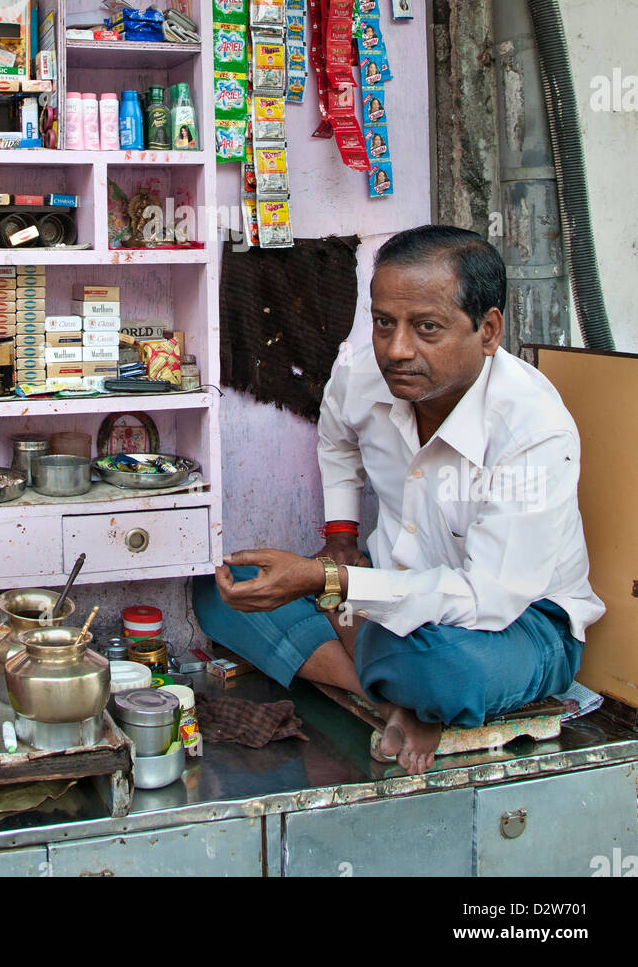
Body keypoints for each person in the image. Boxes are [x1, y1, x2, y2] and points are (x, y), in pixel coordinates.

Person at [194, 226, 603, 774]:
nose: (397, 349)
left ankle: (401, 680)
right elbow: (336, 439)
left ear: (488, 330)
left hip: (518, 624)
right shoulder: (363, 373)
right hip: (382, 597)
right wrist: (339, 540)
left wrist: (331, 585)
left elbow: (488, 598)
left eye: (426, 328)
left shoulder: (533, 431)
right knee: (219, 588)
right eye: (384, 322)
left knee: (442, 673)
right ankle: (395, 697)